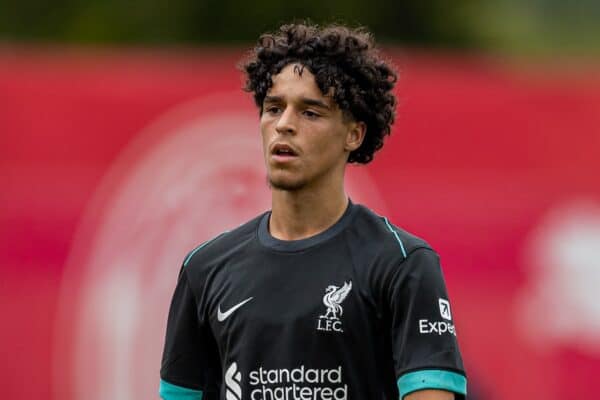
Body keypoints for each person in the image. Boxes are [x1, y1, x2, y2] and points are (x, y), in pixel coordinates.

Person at [159, 22, 467, 400]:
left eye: (310, 112)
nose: (284, 125)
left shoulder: (403, 264)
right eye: (274, 108)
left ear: (354, 134)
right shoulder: (204, 269)